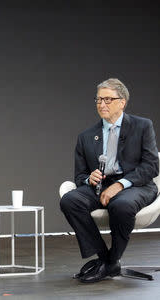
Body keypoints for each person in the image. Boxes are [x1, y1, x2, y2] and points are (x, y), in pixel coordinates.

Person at [60, 78, 159, 283]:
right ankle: (108, 261)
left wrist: (120, 185)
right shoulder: (86, 136)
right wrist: (89, 178)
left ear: (122, 102)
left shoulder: (142, 126)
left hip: (136, 184)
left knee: (121, 205)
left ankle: (110, 261)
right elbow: (79, 176)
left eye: (108, 99)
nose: (101, 104)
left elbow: (151, 166)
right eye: (98, 99)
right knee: (69, 200)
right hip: (101, 185)